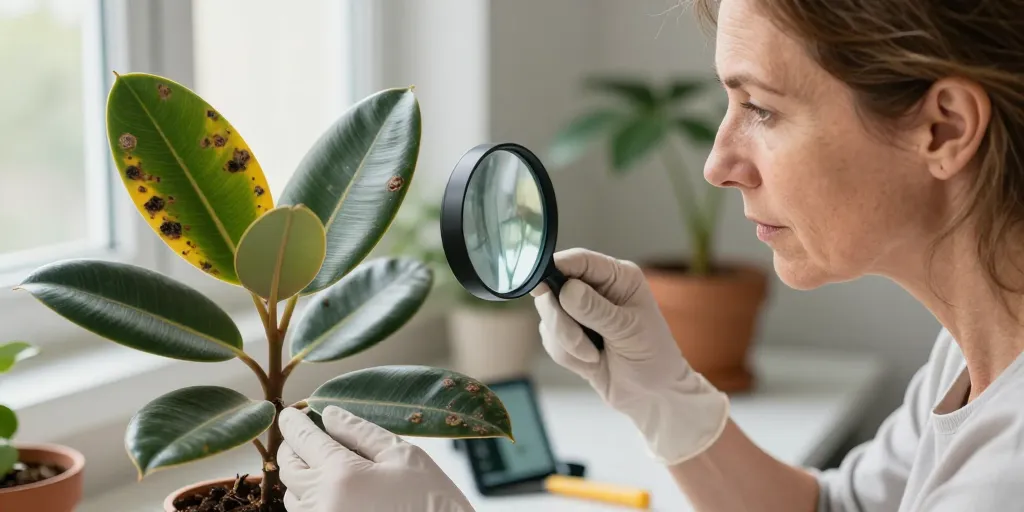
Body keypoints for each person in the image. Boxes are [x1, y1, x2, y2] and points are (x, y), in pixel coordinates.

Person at [277, 0, 1024, 509]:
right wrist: (665, 400)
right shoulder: (971, 352)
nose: (719, 162)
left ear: (944, 129)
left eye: (761, 108)